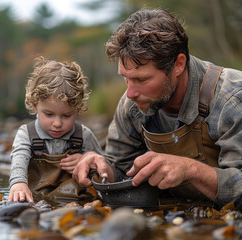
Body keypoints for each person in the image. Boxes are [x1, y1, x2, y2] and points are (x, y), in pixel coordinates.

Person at [73, 8, 242, 209]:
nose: (130, 93)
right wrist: (101, 167)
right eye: (125, 78)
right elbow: (120, 168)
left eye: (141, 79)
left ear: (178, 65)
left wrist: (190, 170)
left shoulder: (231, 99)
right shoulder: (132, 105)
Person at [9, 56, 103, 203]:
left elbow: (105, 170)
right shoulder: (26, 133)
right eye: (49, 114)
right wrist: (18, 183)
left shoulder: (84, 135)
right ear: (34, 105)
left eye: (66, 115)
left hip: (75, 200)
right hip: (34, 199)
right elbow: (19, 159)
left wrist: (86, 159)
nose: (58, 123)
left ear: (77, 109)